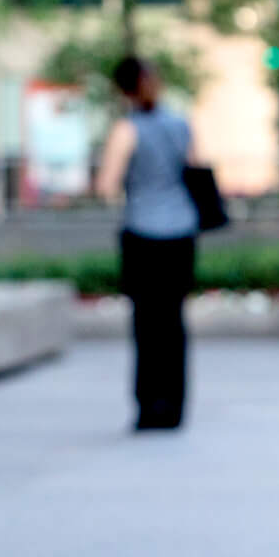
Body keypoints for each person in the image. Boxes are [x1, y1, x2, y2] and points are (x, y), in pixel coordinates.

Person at [96, 56, 199, 431]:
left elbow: (106, 184)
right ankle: (174, 407)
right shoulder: (180, 124)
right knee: (174, 321)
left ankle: (149, 406)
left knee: (146, 322)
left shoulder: (127, 129)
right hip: (182, 232)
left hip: (143, 233)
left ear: (123, 89)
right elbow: (194, 168)